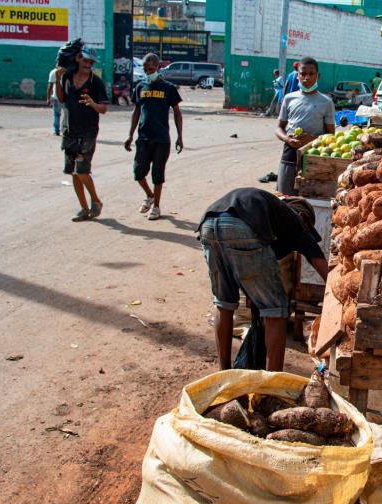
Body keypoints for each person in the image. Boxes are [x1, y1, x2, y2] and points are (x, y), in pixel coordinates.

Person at [197, 188, 328, 371]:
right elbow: (319, 263)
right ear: (304, 218)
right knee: (277, 309)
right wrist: (335, 295)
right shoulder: (296, 220)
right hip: (241, 227)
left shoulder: (270, 211)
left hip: (208, 225)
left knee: (224, 303)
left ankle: (223, 372)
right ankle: (272, 382)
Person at [124, 53, 184, 221]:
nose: (148, 71)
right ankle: (149, 195)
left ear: (158, 67)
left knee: (158, 175)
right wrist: (130, 135)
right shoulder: (140, 87)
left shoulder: (168, 88)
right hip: (143, 137)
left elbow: (177, 113)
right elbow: (136, 111)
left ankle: (156, 206)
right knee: (138, 172)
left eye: (151, 69)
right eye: (145, 69)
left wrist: (180, 136)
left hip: (161, 139)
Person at [55, 47, 108, 222]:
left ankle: (95, 200)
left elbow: (103, 109)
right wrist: (57, 78)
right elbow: (62, 99)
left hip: (88, 132)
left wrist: (92, 103)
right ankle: (84, 209)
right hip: (69, 130)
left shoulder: (96, 83)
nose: (88, 64)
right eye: (85, 60)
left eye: (91, 62)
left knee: (82, 171)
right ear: (78, 59)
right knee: (73, 173)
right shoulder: (68, 78)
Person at [275, 56, 335, 195]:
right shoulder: (289, 98)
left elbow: (331, 135)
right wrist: (287, 139)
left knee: (310, 199)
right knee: (286, 198)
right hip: (289, 154)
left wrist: (313, 139)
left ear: (318, 76)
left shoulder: (326, 102)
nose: (306, 78)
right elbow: (279, 128)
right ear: (297, 76)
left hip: (315, 156)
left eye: (311, 74)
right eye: (303, 74)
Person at [47, 68, 62, 135]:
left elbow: (50, 86)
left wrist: (48, 98)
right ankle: (66, 130)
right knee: (67, 114)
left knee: (56, 114)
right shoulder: (68, 70)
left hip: (56, 97)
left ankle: (56, 131)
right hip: (66, 97)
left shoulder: (53, 72)